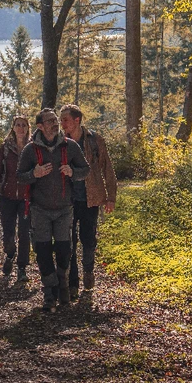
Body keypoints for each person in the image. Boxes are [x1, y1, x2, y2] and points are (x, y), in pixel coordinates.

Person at [17, 108, 89, 311]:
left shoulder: (70, 146)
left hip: (65, 208)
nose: (55, 123)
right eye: (50, 121)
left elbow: (86, 170)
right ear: (40, 126)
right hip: (40, 209)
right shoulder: (30, 150)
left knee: (65, 250)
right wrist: (34, 173)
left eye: (56, 120)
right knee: (42, 250)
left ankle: (62, 283)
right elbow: (20, 176)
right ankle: (50, 292)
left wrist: (73, 171)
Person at [59, 104, 117, 300]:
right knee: (69, 240)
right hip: (67, 200)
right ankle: (73, 282)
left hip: (90, 198)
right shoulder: (59, 142)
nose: (62, 123)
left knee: (88, 238)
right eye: (61, 119)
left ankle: (88, 271)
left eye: (65, 119)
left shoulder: (94, 140)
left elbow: (107, 168)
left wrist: (111, 197)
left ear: (77, 120)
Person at [0, 113, 31, 282]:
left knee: (24, 232)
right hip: (6, 197)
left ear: (28, 128)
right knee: (8, 234)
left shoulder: (33, 147)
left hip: (26, 197)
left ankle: (22, 268)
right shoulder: (5, 147)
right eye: (18, 125)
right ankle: (10, 255)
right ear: (13, 128)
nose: (21, 128)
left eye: (24, 125)